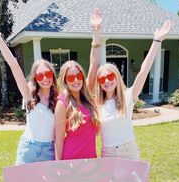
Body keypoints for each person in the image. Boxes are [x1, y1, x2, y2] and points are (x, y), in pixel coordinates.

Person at [0, 19, 57, 165]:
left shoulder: (59, 98)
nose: (45, 79)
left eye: (48, 74)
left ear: (53, 75)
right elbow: (14, 65)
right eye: (40, 75)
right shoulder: (29, 95)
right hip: (28, 148)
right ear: (35, 78)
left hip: (49, 151)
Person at [96, 20, 172, 160]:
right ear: (99, 84)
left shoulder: (127, 96)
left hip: (128, 151)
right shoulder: (97, 104)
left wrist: (156, 41)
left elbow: (143, 72)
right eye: (101, 79)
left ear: (117, 77)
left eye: (110, 76)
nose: (106, 81)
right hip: (108, 153)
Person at [54, 9, 102, 160]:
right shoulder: (62, 103)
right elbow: (58, 139)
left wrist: (95, 31)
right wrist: (57, 166)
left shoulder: (87, 95)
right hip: (71, 159)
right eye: (70, 77)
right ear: (65, 80)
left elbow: (94, 63)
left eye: (78, 75)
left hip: (90, 159)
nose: (75, 80)